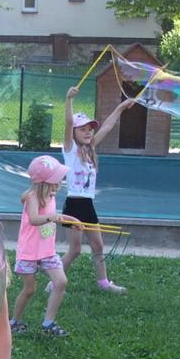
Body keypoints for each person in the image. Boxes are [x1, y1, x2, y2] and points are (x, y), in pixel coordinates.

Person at [60, 86, 135, 294]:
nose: (88, 132)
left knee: (98, 246)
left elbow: (108, 127)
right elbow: (67, 122)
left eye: (90, 129)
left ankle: (103, 283)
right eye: (83, 129)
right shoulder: (70, 149)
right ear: (73, 132)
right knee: (74, 250)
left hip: (87, 204)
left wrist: (120, 107)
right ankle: (54, 281)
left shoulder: (90, 150)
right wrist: (68, 100)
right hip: (73, 204)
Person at [12, 155, 77, 337]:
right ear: (45, 182)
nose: (61, 181)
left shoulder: (51, 196)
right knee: (29, 289)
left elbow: (54, 215)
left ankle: (48, 323)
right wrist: (52, 218)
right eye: (57, 178)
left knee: (61, 282)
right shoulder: (32, 197)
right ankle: (14, 321)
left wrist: (72, 220)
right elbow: (34, 219)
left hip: (47, 252)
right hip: (29, 252)